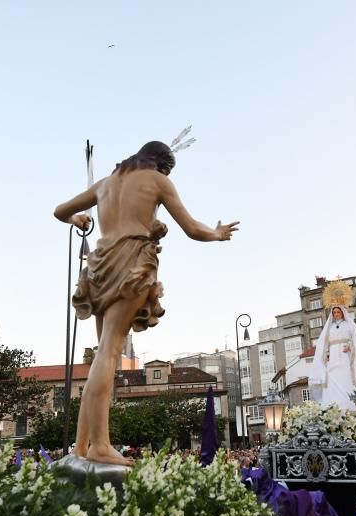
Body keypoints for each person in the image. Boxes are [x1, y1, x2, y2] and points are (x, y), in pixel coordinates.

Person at [54, 140, 239, 466]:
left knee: (103, 355)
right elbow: (192, 228)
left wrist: (78, 221)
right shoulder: (158, 181)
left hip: (98, 266)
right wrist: (218, 234)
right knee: (110, 352)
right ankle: (99, 446)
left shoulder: (105, 184)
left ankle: (81, 447)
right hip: (131, 262)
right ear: (161, 165)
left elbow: (60, 212)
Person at [308, 305, 356, 411]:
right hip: (333, 356)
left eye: (338, 312)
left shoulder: (349, 325)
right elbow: (323, 343)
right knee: (331, 377)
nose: (336, 314)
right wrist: (326, 353)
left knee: (347, 376)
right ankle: (332, 406)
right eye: (334, 313)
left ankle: (350, 405)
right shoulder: (329, 328)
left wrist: (350, 346)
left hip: (346, 356)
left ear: (342, 313)